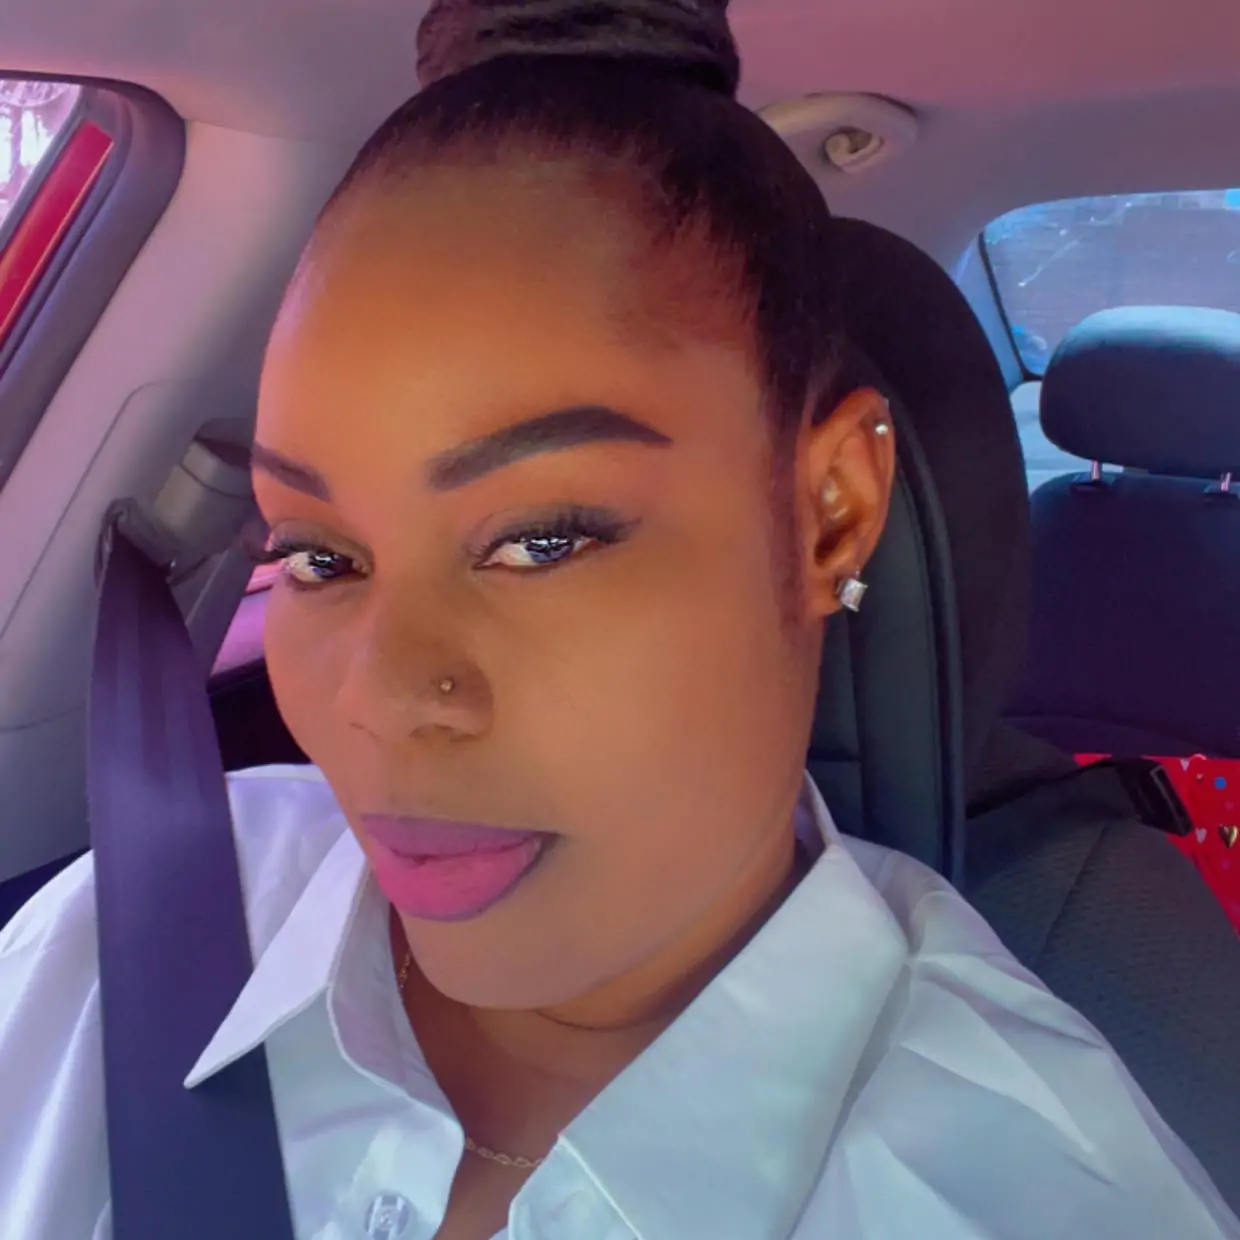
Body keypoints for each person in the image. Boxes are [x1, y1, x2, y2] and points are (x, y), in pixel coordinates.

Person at [1, 1, 1238, 1238]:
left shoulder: (1038, 1199)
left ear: (828, 515)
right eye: (321, 556)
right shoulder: (123, 939)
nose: (374, 697)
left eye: (542, 540)